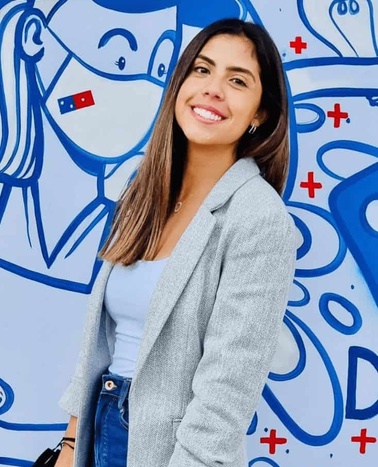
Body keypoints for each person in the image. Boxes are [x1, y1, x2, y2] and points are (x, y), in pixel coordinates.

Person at [56, 18, 297, 467]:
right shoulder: (143, 191)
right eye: (202, 70)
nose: (212, 89)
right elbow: (101, 341)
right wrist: (71, 444)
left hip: (171, 450)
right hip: (100, 425)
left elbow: (227, 391)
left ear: (261, 113)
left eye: (238, 80)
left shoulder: (259, 219)